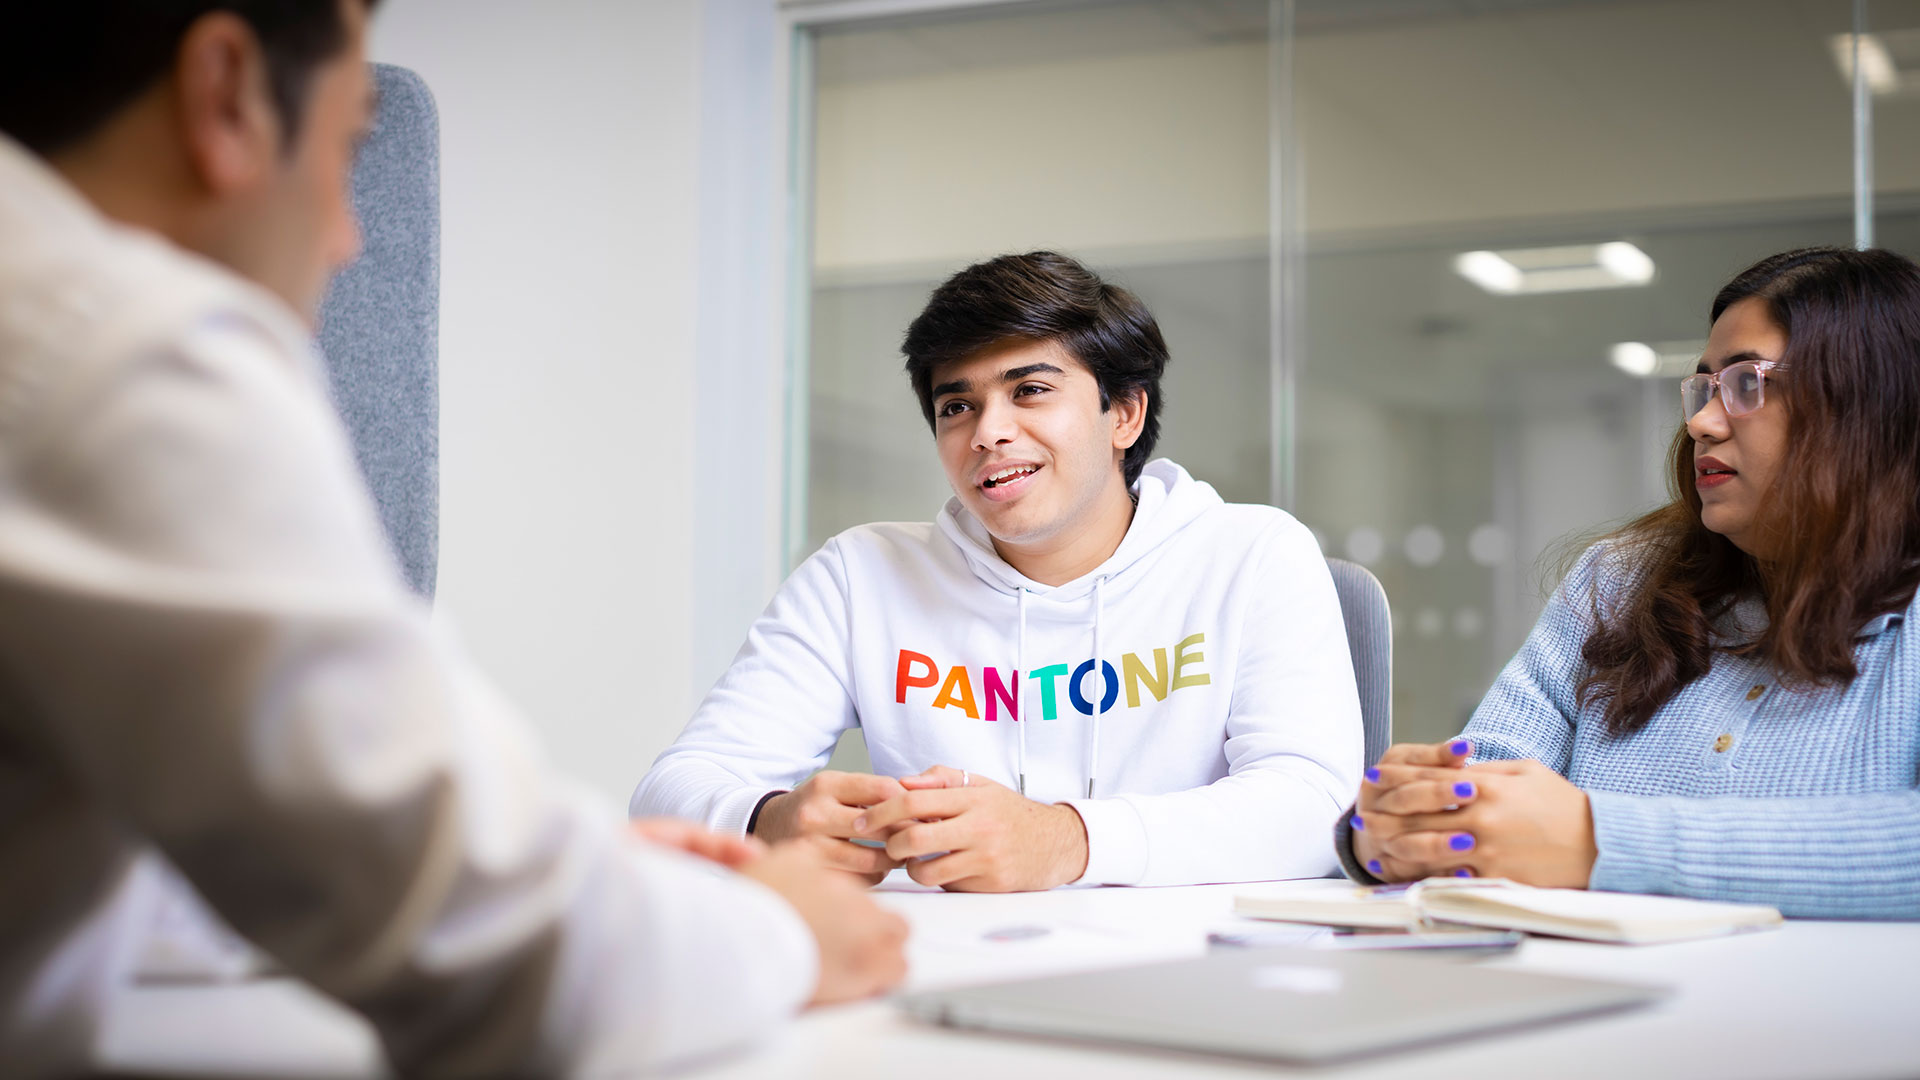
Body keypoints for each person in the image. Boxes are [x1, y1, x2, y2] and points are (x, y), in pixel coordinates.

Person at [0, 2, 905, 1075]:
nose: (347, 236)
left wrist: (582, 880)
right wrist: (783, 930)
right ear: (227, 90)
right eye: (349, 147)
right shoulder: (111, 349)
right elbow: (506, 962)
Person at [633, 251, 1363, 892]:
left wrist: (1066, 841)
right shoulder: (864, 575)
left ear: (1126, 416)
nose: (989, 432)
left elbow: (1314, 807)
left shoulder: (1251, 554)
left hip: (1198, 974)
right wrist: (769, 818)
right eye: (958, 405)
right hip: (941, 966)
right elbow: (672, 788)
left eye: (1031, 390)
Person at [1339, 246, 1920, 919]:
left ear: (1870, 407)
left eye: (1747, 384)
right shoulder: (1620, 580)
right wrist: (1392, 828)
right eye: (1704, 388)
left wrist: (1599, 842)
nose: (1700, 422)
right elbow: (1485, 782)